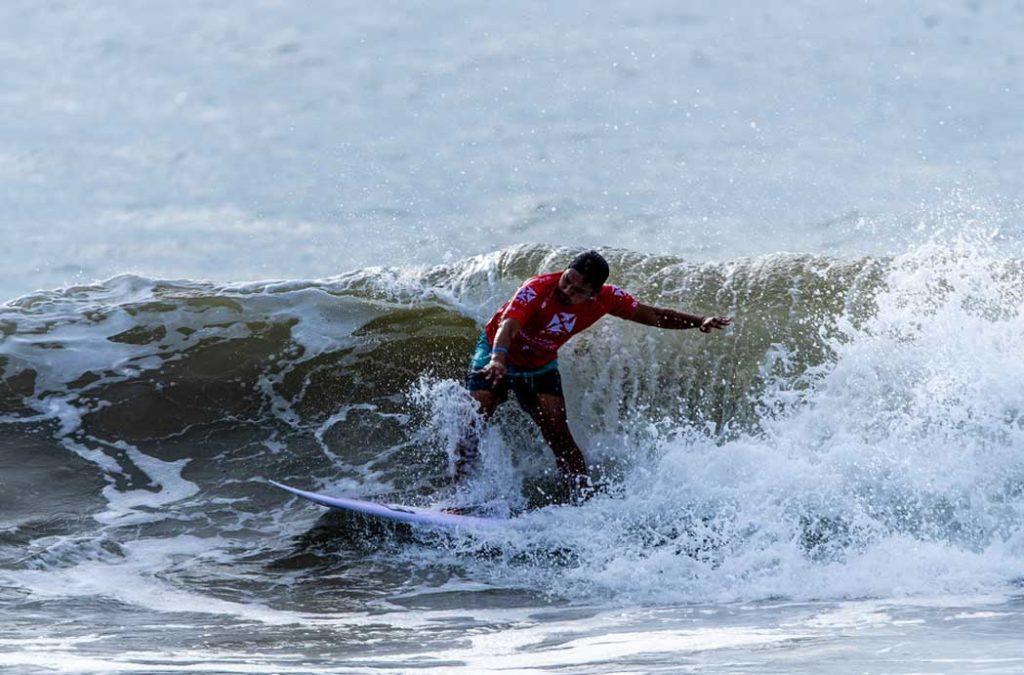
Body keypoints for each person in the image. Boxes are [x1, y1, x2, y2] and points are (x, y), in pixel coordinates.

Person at [454, 250, 731, 501]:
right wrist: (497, 359)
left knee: (560, 436)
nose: (567, 290)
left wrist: (699, 321)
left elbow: (653, 315)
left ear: (593, 293)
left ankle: (580, 496)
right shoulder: (537, 288)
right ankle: (463, 496)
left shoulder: (608, 298)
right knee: (475, 417)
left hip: (539, 365)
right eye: (566, 281)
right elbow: (508, 325)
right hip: (496, 352)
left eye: (577, 290)